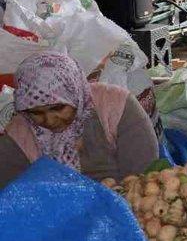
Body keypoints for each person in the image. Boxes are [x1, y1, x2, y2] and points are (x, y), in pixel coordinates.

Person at [0, 52, 157, 188]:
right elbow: (12, 194)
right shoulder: (19, 132)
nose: (49, 121)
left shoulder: (116, 106)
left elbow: (144, 177)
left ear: (76, 95)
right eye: (36, 112)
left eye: (58, 108)